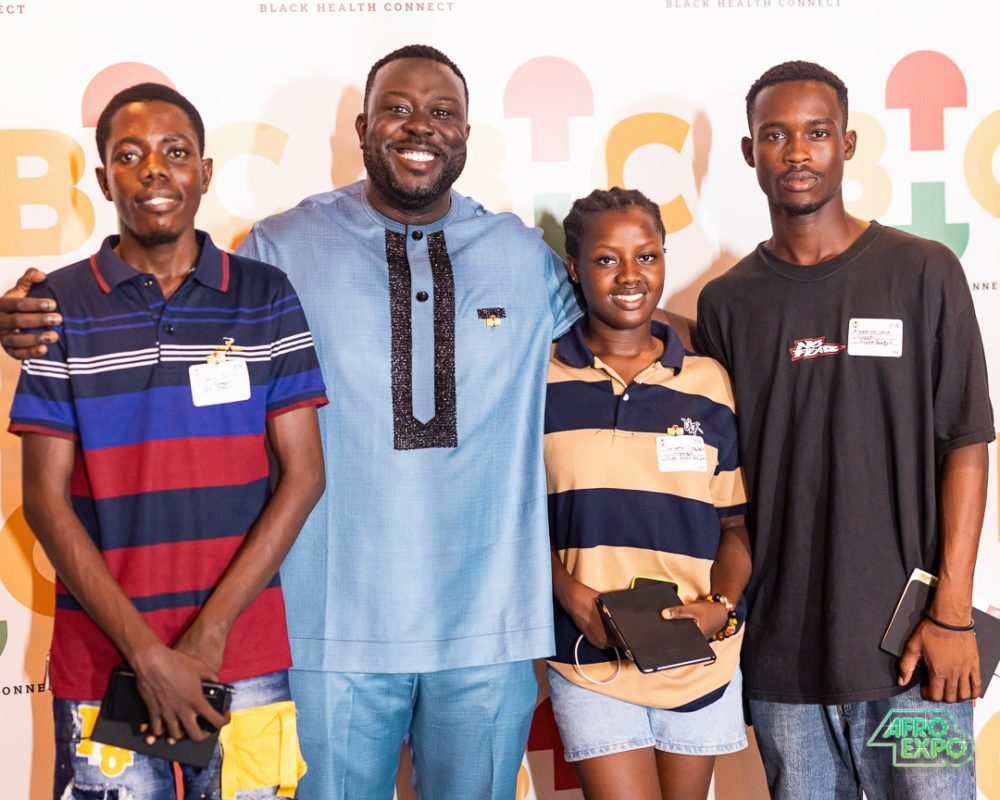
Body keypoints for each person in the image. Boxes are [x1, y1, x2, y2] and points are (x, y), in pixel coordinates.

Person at [0, 45, 582, 799]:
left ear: (467, 133)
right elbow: (169, 308)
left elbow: (617, 332)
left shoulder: (523, 255)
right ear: (363, 125)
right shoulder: (282, 249)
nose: (420, 127)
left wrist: (706, 334)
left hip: (489, 629)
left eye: (443, 113)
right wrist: (31, 316)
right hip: (325, 632)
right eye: (398, 109)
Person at [8, 83, 328, 799]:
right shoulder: (57, 308)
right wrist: (147, 655)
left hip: (242, 657)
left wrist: (208, 635)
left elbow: (304, 475)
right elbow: (44, 500)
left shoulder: (266, 295)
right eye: (130, 154)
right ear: (103, 181)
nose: (155, 169)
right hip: (105, 665)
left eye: (175, 152)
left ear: (205, 173)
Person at [695, 61, 993, 800]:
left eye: (816, 132)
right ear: (748, 152)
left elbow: (967, 444)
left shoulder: (922, 272)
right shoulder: (727, 305)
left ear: (849, 143)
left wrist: (953, 615)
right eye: (775, 135)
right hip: (783, 663)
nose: (797, 152)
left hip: (915, 656)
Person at [545, 188, 750, 800]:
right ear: (576, 269)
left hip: (699, 658)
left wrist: (723, 606)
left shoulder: (709, 381)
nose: (630, 276)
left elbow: (735, 526)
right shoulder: (540, 378)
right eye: (608, 259)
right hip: (589, 656)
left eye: (648, 256)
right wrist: (576, 600)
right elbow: (514, 521)